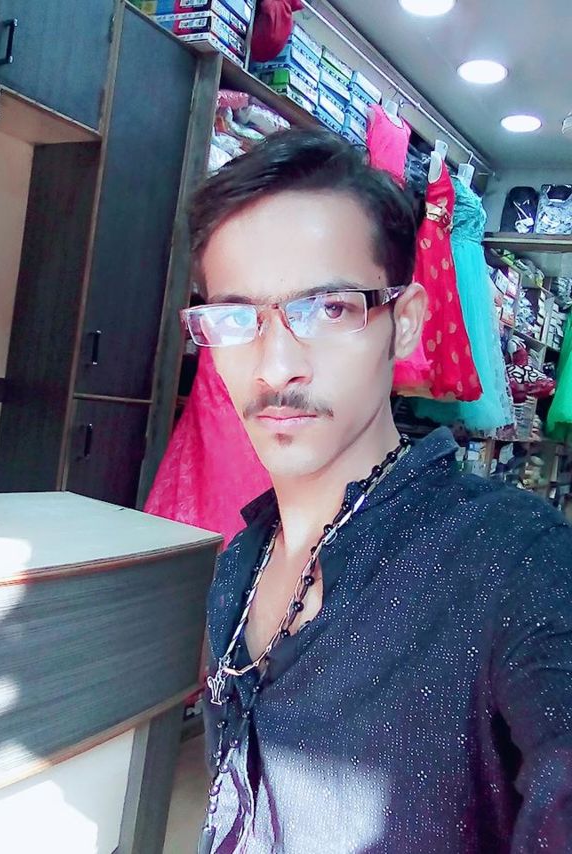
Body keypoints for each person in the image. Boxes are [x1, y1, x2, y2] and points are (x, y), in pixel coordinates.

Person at [180, 130, 572, 854]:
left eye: (329, 309)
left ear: (407, 324)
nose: (275, 366)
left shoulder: (513, 561)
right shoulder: (238, 565)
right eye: (237, 318)